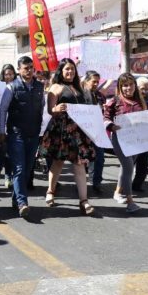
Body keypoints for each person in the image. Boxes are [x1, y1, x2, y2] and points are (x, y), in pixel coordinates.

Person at [39, 58, 95, 215]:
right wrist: (56, 108)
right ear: (61, 71)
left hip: (78, 131)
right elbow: (50, 110)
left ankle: (83, 200)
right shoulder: (55, 87)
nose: (70, 72)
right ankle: (50, 191)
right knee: (58, 162)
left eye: (72, 69)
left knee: (79, 164)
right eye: (67, 69)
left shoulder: (80, 88)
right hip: (61, 130)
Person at [0, 56, 45, 218]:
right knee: (18, 168)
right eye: (25, 68)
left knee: (27, 169)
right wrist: (2, 131)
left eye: (31, 67)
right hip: (16, 134)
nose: (29, 70)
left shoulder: (40, 86)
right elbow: (3, 110)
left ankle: (16, 198)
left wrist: (41, 131)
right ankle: (22, 202)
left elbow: (42, 109)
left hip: (33, 134)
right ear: (19, 70)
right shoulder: (12, 87)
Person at [103, 73, 148, 213]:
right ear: (120, 87)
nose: (128, 88)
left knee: (126, 167)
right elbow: (105, 118)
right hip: (119, 139)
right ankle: (130, 202)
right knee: (129, 168)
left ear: (135, 85)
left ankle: (117, 192)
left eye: (131, 84)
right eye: (125, 85)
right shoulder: (114, 101)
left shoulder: (141, 102)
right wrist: (112, 126)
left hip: (136, 140)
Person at [81, 70, 106, 193]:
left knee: (99, 158)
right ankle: (80, 184)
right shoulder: (79, 95)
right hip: (82, 132)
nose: (96, 84)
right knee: (81, 159)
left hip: (98, 132)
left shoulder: (101, 96)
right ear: (86, 81)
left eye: (98, 81)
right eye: (93, 81)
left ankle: (96, 182)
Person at [0, 64, 16, 188]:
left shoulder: (17, 87)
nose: (8, 76)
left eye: (11, 74)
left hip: (12, 124)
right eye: (6, 74)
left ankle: (8, 176)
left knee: (8, 151)